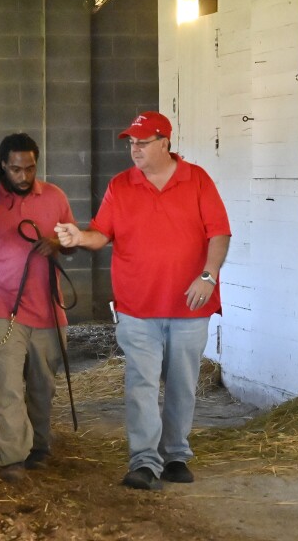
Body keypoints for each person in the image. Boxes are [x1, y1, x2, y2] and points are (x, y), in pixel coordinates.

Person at [55, 111, 231, 491]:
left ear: (164, 143)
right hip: (137, 305)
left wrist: (208, 275)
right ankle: (144, 461)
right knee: (141, 383)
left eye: (142, 142)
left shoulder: (197, 180)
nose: (134, 149)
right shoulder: (121, 186)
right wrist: (77, 237)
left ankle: (176, 454)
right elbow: (101, 234)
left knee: (182, 383)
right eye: (131, 143)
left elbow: (219, 234)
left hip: (189, 305)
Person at [0, 133, 77, 483]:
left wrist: (58, 242)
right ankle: (12, 456)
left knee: (43, 385)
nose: (24, 176)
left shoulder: (55, 197)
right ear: (2, 166)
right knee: (8, 385)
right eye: (15, 169)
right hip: (1, 311)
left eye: (29, 168)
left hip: (49, 309)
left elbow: (73, 243)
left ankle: (39, 447)